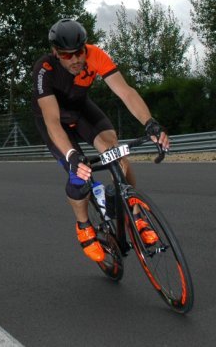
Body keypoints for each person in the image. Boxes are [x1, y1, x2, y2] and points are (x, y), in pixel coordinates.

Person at [32, 18, 170, 263]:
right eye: (67, 55)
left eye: (79, 53)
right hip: (54, 120)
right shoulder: (45, 69)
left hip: (81, 110)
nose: (75, 60)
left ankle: (136, 217)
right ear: (55, 53)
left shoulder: (95, 55)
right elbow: (52, 121)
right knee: (79, 173)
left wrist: (149, 122)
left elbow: (125, 91)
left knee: (116, 153)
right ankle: (84, 225)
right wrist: (72, 156)